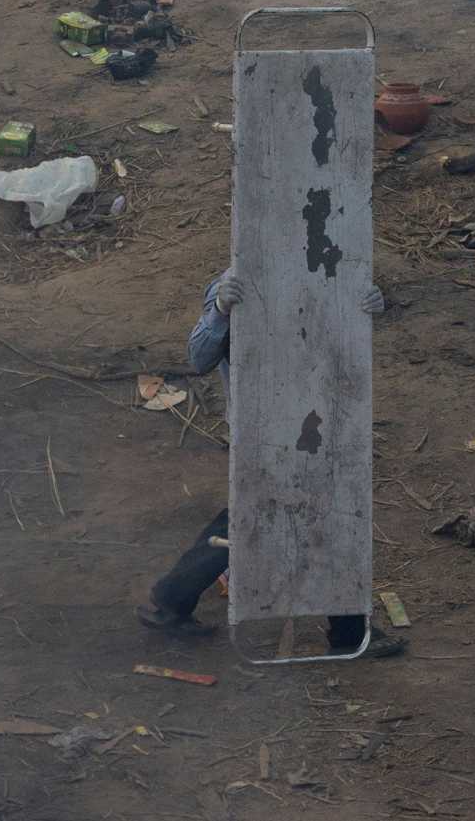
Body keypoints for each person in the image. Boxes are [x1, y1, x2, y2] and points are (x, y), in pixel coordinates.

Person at [139, 264, 402, 657]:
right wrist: (220, 311)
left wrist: (364, 310)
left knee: (256, 516)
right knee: (305, 515)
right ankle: (347, 632)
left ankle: (171, 600)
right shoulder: (237, 279)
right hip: (264, 432)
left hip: (320, 423)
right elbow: (199, 357)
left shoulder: (329, 269)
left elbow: (341, 351)